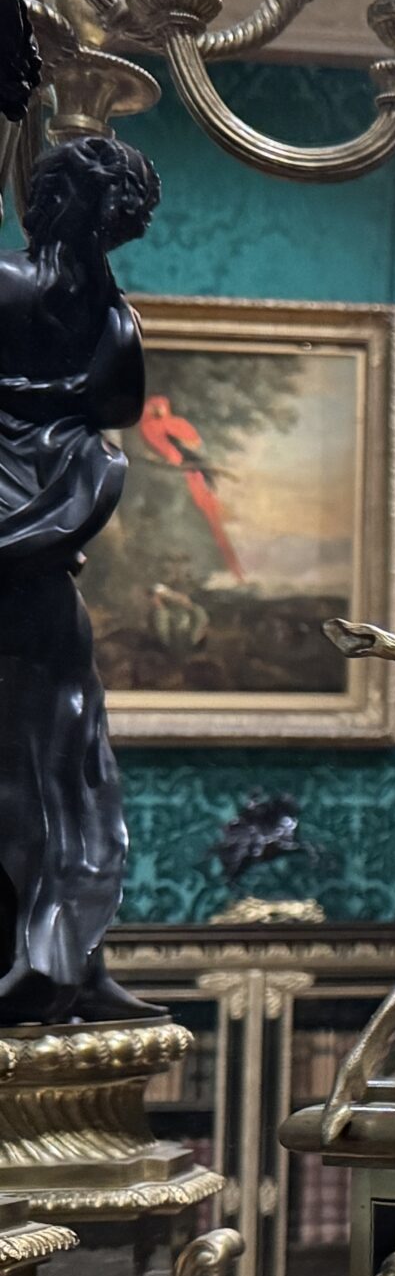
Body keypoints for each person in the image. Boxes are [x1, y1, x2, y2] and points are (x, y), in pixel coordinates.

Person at [0, 135, 162, 1023]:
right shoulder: (105, 320)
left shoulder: (89, 312)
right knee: (49, 753)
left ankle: (63, 957)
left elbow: (117, 410)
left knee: (66, 751)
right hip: (32, 545)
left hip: (38, 553)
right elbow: (117, 406)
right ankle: (49, 956)